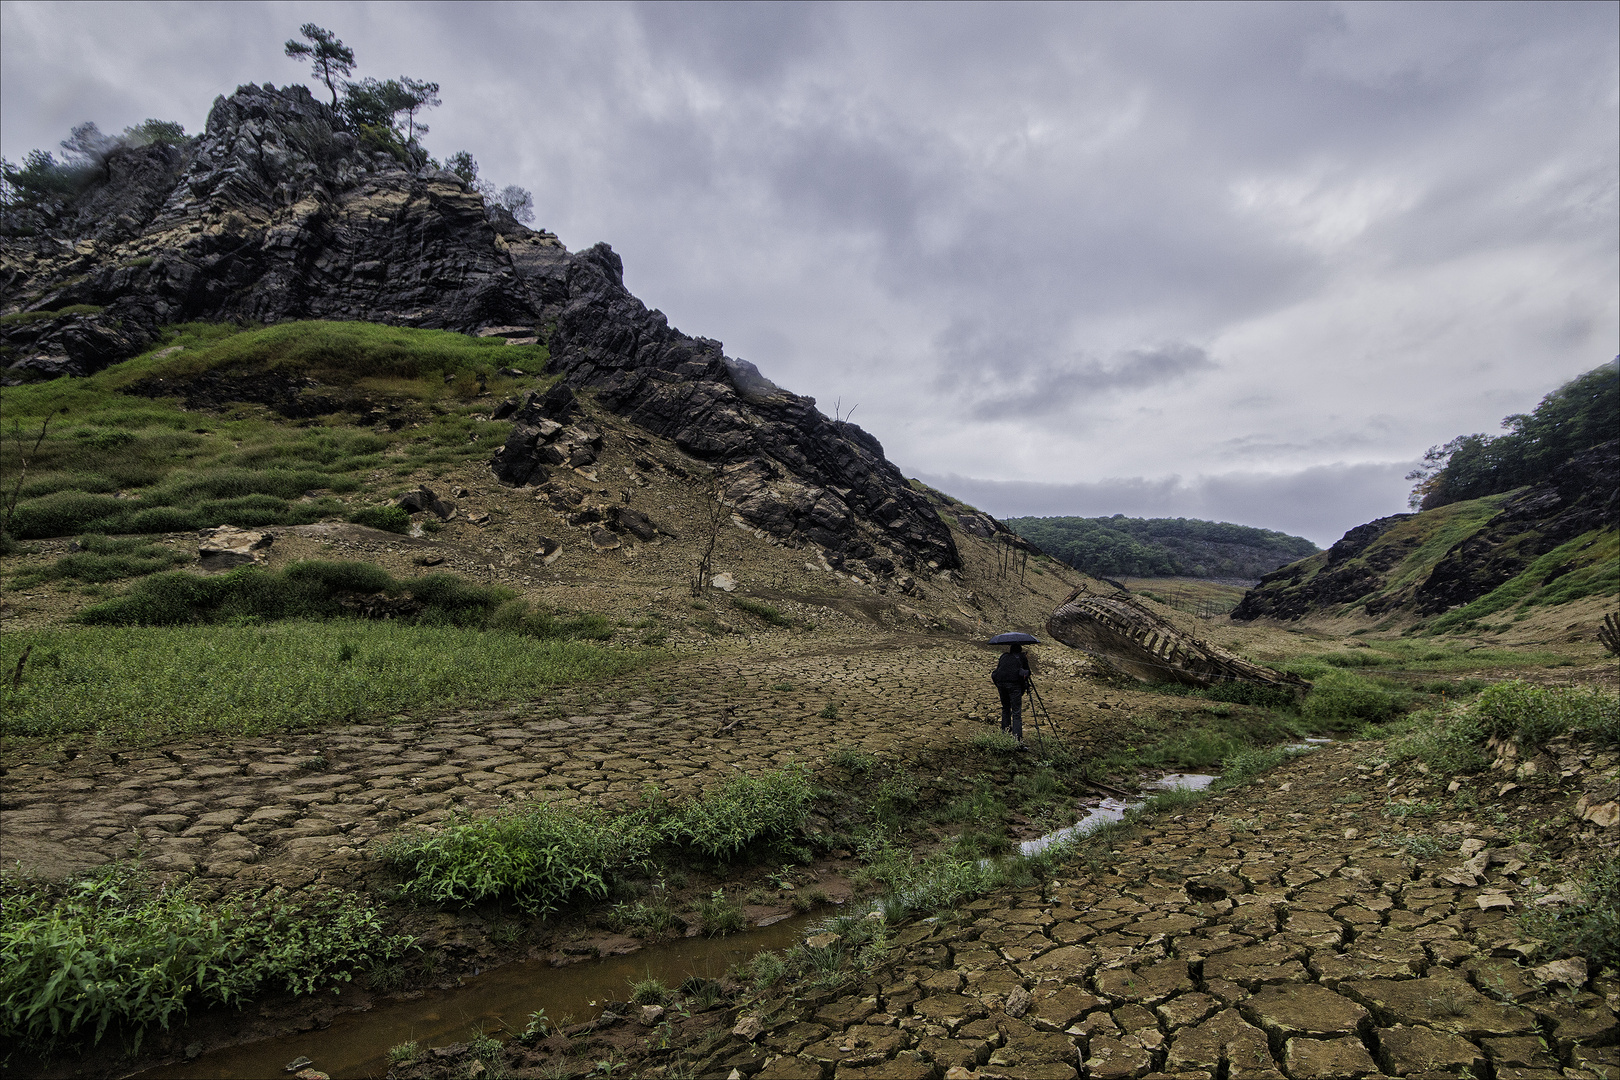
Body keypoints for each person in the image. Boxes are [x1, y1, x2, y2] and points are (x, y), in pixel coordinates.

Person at [990, 643, 1031, 744]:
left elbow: (997, 672)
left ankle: (1005, 735)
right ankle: (1017, 741)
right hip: (1014, 686)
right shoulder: (1021, 657)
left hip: (1001, 685)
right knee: (1016, 712)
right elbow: (1027, 672)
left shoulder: (1004, 656)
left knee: (1006, 709)